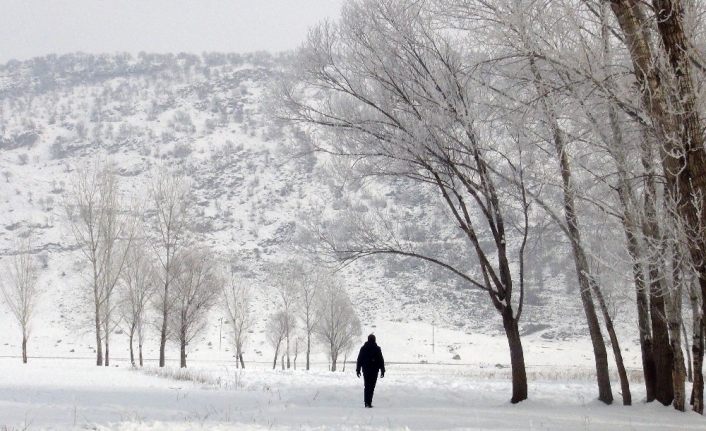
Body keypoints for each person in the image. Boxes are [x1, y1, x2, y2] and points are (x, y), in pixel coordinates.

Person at [356, 333, 385, 408]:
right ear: (374, 340)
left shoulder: (363, 348)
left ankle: (366, 402)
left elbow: (359, 359)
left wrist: (358, 370)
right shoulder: (377, 349)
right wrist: (382, 370)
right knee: (372, 386)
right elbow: (381, 360)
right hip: (374, 370)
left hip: (366, 370)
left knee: (367, 386)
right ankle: (369, 402)